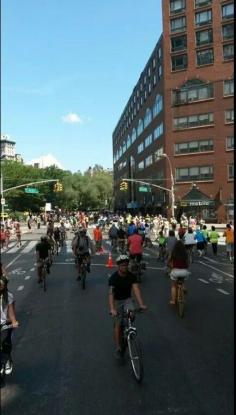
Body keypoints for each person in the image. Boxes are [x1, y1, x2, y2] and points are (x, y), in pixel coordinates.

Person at [108, 255, 147, 358]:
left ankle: (127, 329)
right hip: (117, 301)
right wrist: (112, 309)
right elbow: (111, 294)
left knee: (132, 315)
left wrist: (141, 304)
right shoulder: (114, 278)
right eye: (123, 265)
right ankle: (118, 348)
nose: (125, 267)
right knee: (118, 325)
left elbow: (136, 290)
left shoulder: (131, 276)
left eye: (126, 265)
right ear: (118, 266)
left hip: (127, 300)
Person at [0, 263, 19, 376]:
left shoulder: (8, 296)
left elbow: (11, 314)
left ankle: (6, 360)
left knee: (5, 342)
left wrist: (14, 322)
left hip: (3, 324)